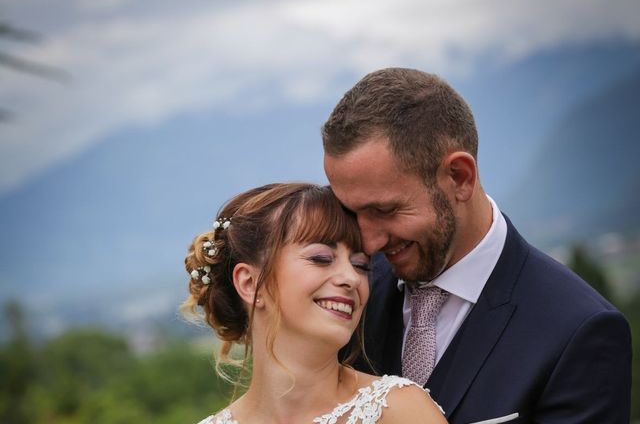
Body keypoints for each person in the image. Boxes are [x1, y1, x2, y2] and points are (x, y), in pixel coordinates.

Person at [321, 68, 632, 424]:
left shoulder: (578, 331)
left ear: (459, 177)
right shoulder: (347, 294)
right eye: (351, 212)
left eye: (386, 210)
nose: (369, 241)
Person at [182, 183, 447, 424]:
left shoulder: (399, 411)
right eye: (321, 258)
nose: (351, 278)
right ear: (250, 284)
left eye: (361, 265)